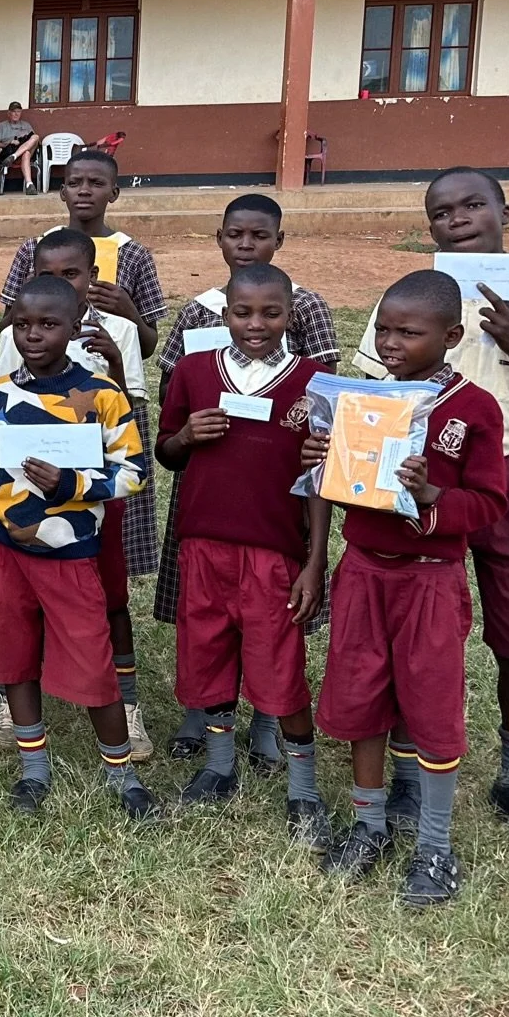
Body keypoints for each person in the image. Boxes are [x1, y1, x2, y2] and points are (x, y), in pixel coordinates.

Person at [352, 169, 509, 849]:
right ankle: (401, 774)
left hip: (504, 474)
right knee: (409, 626)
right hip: (417, 470)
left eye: (471, 204)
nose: (454, 219)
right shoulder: (410, 300)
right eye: (439, 212)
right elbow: (377, 394)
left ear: (504, 210)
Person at [310, 270, 508, 906]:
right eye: (384, 329)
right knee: (361, 695)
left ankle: (433, 845)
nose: (391, 342)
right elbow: (342, 486)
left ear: (450, 336)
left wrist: (429, 495)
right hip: (366, 570)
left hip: (430, 581)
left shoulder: (473, 409)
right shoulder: (363, 400)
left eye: (409, 332)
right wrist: (325, 459)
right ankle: (369, 824)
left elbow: (488, 504)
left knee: (430, 707)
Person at [154, 193, 339, 761]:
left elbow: (320, 453)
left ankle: (271, 730)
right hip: (208, 516)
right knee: (206, 631)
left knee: (273, 641)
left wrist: (315, 554)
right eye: (242, 314)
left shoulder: (309, 366)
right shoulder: (194, 347)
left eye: (270, 314)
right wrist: (187, 436)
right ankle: (214, 746)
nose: (255, 324)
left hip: (274, 527)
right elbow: (169, 434)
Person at [0, 274, 155, 821]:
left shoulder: (103, 395)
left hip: (71, 555)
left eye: (49, 324)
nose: (33, 335)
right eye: (22, 325)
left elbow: (133, 473)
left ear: (75, 327)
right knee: (15, 659)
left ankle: (120, 771)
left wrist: (71, 486)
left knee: (93, 660)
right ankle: (34, 768)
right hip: (6, 552)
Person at [0, 149, 165, 577]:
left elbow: (144, 344)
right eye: (75, 183)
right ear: (62, 190)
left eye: (95, 183)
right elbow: (10, 322)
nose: (84, 191)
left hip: (104, 401)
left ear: (115, 192)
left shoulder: (133, 254)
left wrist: (127, 310)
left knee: (107, 532)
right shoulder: (35, 247)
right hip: (41, 410)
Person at [0, 103, 38, 193]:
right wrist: (9, 143)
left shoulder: (26, 125)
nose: (16, 114)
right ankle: (29, 184)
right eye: (13, 111)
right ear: (8, 113)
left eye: (18, 111)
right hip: (9, 151)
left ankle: (15, 156)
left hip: (22, 152)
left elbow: (34, 141)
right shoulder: (1, 126)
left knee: (35, 137)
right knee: (26, 153)